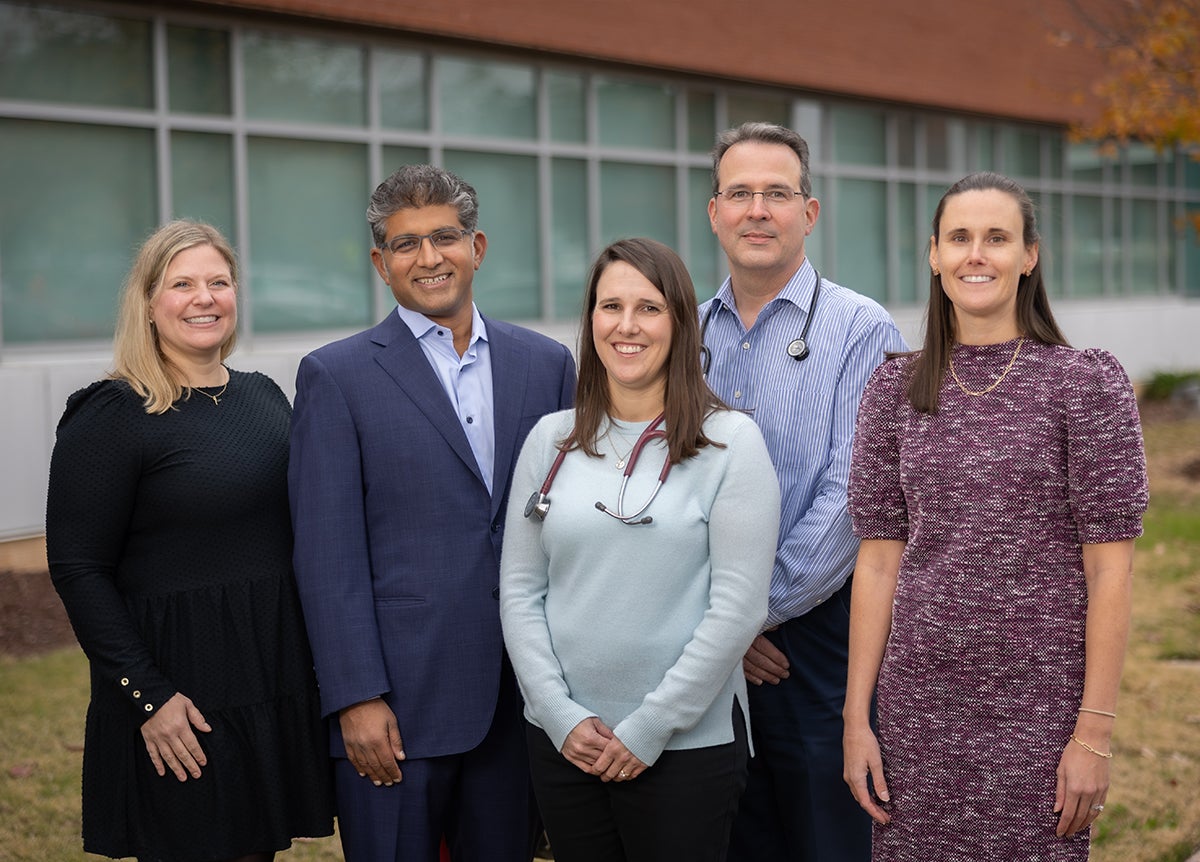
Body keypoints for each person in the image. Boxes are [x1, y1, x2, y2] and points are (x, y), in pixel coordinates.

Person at [842, 171, 1149, 859]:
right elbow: (879, 562)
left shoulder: (1084, 384)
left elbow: (1111, 571)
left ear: (1029, 255)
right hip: (916, 709)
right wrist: (857, 718)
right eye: (959, 238)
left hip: (1041, 710)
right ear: (934, 255)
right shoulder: (894, 389)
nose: (975, 254)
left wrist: (1094, 733)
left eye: (997, 238)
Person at [288, 164, 576, 862]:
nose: (428, 258)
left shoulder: (547, 365)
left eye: (444, 237)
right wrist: (356, 697)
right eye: (406, 243)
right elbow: (327, 558)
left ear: (476, 247)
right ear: (380, 263)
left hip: (524, 698)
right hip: (397, 711)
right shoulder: (336, 377)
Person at [45, 219, 335, 862]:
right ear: (148, 303)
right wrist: (147, 695)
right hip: (181, 693)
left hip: (269, 673)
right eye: (182, 284)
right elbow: (77, 568)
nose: (204, 298)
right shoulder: (114, 413)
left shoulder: (262, 396)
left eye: (218, 282)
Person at [500, 237, 780, 862]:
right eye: (611, 306)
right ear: (591, 320)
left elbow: (738, 608)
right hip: (565, 743)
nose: (627, 326)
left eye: (649, 308)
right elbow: (520, 590)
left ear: (680, 324)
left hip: (687, 748)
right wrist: (557, 713)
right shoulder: (550, 440)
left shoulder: (730, 444)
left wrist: (652, 726)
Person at [699, 121, 906, 861]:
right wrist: (719, 630)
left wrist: (744, 617)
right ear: (714, 211)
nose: (757, 210)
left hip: (818, 637)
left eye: (777, 193)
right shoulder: (684, 331)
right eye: (740, 193)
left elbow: (853, 495)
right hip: (705, 647)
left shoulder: (860, 329)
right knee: (734, 834)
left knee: (828, 834)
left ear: (809, 212)